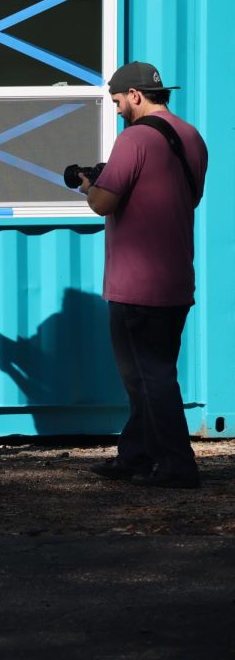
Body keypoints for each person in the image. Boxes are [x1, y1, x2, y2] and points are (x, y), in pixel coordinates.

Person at [79, 61, 207, 489]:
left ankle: (177, 466)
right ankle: (135, 456)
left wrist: (88, 185)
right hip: (176, 279)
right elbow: (190, 196)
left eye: (117, 101)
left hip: (136, 284)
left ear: (135, 95)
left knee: (148, 377)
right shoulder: (192, 137)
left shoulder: (133, 139)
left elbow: (103, 203)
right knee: (149, 375)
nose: (116, 109)